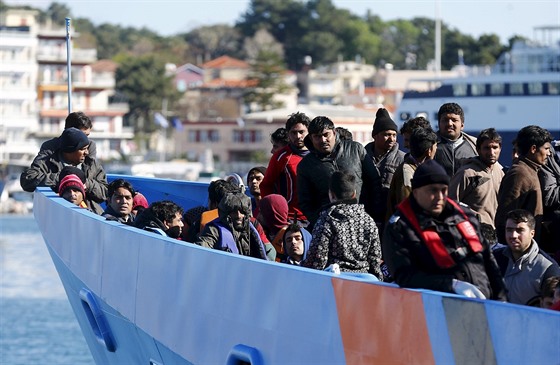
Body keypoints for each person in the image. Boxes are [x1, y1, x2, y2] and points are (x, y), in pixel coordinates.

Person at [383, 160, 507, 300]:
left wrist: (501, 298)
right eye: (433, 191)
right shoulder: (400, 227)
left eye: (443, 190)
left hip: (482, 303)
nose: (440, 197)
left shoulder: (464, 215)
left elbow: (487, 258)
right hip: (437, 308)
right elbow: (405, 275)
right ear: (416, 192)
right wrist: (451, 285)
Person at [297, 116, 382, 228]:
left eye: (326, 134)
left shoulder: (356, 149)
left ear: (334, 132)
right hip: (329, 226)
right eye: (317, 137)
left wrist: (373, 216)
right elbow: (305, 202)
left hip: (361, 221)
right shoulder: (306, 165)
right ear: (311, 138)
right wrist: (321, 223)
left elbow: (374, 181)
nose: (323, 140)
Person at [302, 171, 383, 279]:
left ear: (331, 194)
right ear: (354, 193)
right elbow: (375, 260)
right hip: (365, 283)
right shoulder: (368, 220)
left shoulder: (327, 219)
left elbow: (317, 258)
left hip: (335, 283)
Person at [20, 127, 107, 214]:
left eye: (87, 148)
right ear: (70, 151)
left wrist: (85, 183)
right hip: (58, 214)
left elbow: (105, 193)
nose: (87, 152)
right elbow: (27, 180)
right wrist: (62, 178)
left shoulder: (91, 164)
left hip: (91, 215)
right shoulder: (48, 162)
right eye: (82, 149)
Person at [495, 125, 553, 243]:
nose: (549, 153)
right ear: (533, 149)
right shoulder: (520, 174)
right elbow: (505, 216)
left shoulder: (531, 170)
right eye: (546, 149)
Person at [493, 209, 560, 306]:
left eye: (520, 230)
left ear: (532, 233)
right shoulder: (494, 258)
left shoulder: (548, 268)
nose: (513, 235)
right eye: (509, 230)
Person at [260, 112, 310, 223]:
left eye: (301, 132)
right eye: (294, 133)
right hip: (290, 217)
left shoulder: (318, 154)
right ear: (288, 134)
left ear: (308, 132)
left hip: (315, 215)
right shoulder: (281, 157)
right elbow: (266, 185)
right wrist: (273, 213)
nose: (298, 136)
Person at [449, 128, 504, 227]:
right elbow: (450, 204)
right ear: (478, 150)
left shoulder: (500, 173)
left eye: (495, 147)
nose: (492, 152)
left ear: (500, 149)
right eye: (487, 148)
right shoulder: (466, 173)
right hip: (473, 233)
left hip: (495, 235)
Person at [195, 192, 269, 260]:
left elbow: (270, 252)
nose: (239, 216)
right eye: (234, 212)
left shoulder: (252, 227)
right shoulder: (214, 230)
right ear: (225, 213)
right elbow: (202, 246)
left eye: (242, 212)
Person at [386, 126, 438, 219]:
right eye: (435, 146)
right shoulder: (407, 172)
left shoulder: (417, 169)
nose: (436, 149)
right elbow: (407, 210)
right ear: (429, 150)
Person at [365, 108, 405, 211]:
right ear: (375, 136)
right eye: (387, 135)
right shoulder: (362, 157)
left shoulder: (402, 159)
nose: (391, 139)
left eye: (394, 135)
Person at [433, 103, 478, 177]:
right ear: (438, 123)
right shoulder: (430, 146)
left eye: (454, 120)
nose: (450, 123)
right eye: (445, 120)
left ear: (462, 125)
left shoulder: (475, 146)